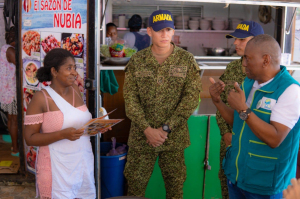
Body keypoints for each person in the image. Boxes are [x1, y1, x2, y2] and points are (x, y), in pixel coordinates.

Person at [209, 34, 300, 198]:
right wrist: (218, 102)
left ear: (266, 60)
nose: (244, 64)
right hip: (238, 176)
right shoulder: (249, 83)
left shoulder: (290, 90)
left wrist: (243, 109)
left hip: (266, 184)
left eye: (248, 59)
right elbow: (239, 122)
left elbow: (275, 138)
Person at [123, 10, 202, 198]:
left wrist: (166, 128)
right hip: (142, 138)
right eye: (159, 30)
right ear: (149, 31)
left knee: (175, 190)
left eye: (168, 29)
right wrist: (147, 129)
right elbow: (130, 99)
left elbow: (191, 99)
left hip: (173, 139)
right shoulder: (137, 60)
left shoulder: (186, 60)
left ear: (173, 31)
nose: (164, 34)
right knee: (135, 188)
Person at [24, 48, 98, 199]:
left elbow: (78, 121)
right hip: (55, 168)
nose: (74, 73)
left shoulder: (76, 90)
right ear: (54, 71)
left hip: (82, 164)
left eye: (74, 68)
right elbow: (30, 138)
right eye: (69, 68)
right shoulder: (41, 98)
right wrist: (62, 134)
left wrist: (96, 127)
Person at [216, 21, 264, 199]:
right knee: (227, 186)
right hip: (230, 145)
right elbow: (220, 101)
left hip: (254, 147)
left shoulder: (268, 70)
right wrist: (225, 133)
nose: (235, 43)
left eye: (242, 40)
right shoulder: (232, 68)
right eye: (235, 39)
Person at [0, 26, 19, 156]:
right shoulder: (11, 50)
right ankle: (16, 148)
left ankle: (14, 146)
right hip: (12, 92)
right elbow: (21, 64)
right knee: (14, 120)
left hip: (6, 91)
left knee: (11, 119)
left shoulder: (4, 48)